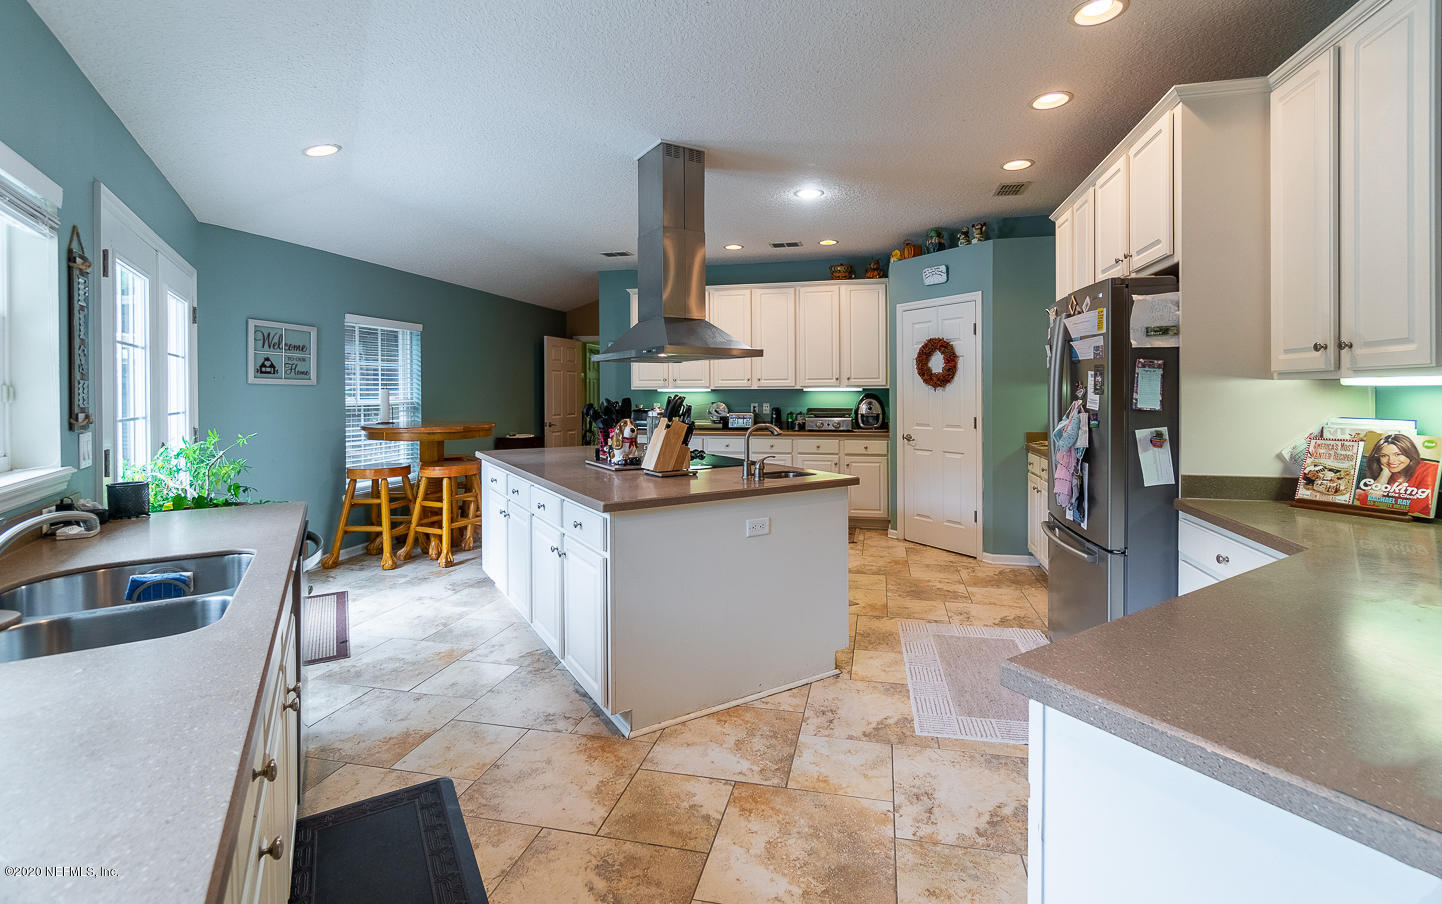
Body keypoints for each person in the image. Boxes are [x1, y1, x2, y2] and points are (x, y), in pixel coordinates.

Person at [1354, 434, 1438, 515]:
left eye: (1398, 454)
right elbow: (1366, 503)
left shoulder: (1431, 469)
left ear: (1410, 453)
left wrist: (1362, 495)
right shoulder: (1383, 470)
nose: (1391, 461)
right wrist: (1385, 474)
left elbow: (1412, 508)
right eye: (1384, 456)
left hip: (1419, 523)